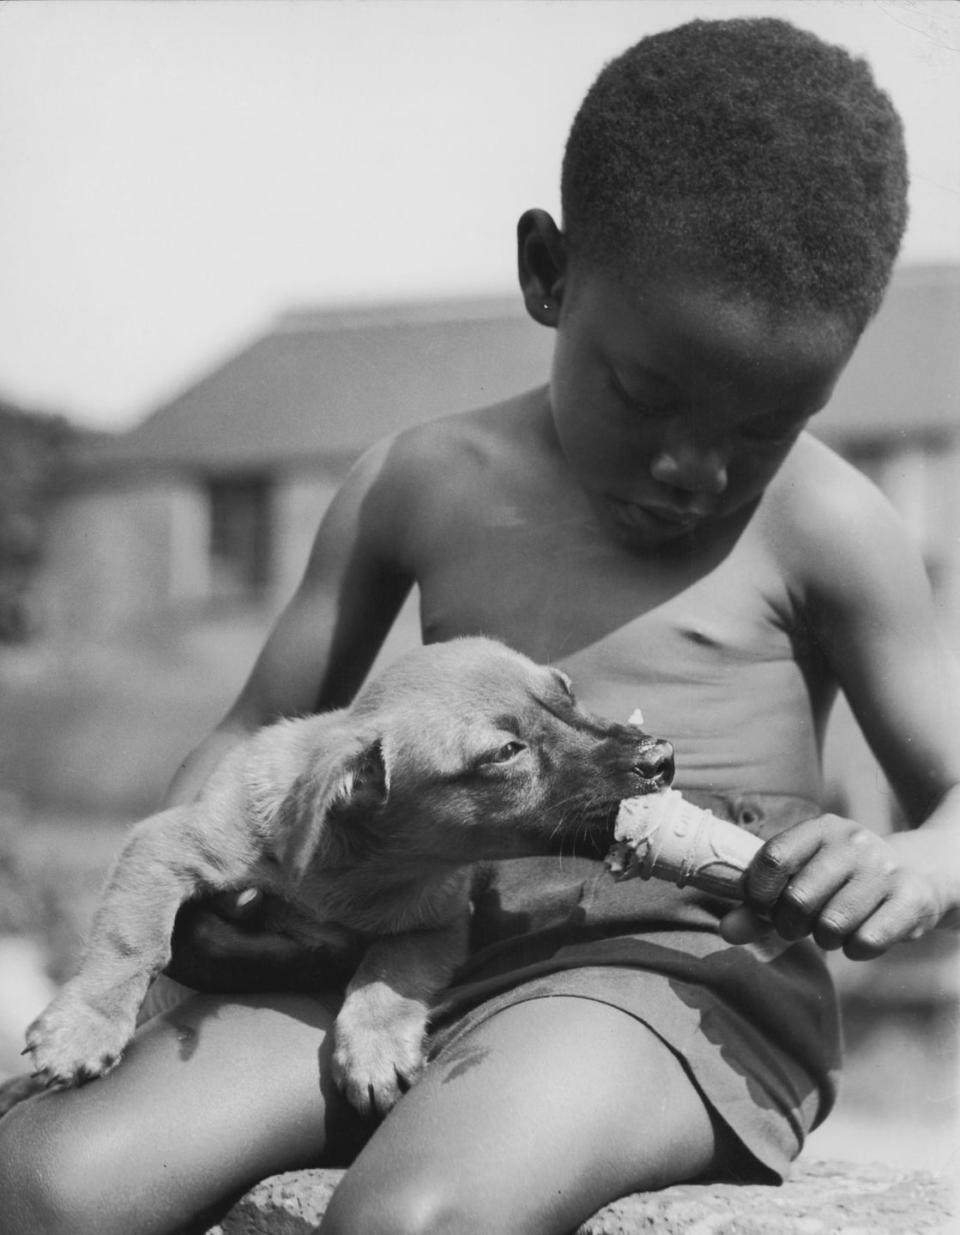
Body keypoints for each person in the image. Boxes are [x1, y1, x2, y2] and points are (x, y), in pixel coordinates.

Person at [1, 15, 958, 1235]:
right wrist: (193, 926)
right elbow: (255, 726)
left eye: (760, 427)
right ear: (549, 274)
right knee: (50, 1181)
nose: (694, 469)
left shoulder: (832, 524)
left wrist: (914, 868)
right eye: (646, 393)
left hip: (667, 982)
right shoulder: (421, 481)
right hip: (399, 944)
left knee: (414, 1218)